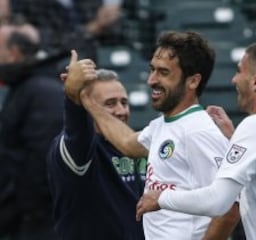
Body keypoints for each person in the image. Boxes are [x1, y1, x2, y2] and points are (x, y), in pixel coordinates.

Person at [136, 41, 256, 240]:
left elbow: (218, 201)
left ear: (255, 82)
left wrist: (162, 198)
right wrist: (235, 138)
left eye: (239, 71)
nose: (234, 79)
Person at [70, 31, 240, 239]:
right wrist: (85, 99)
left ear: (193, 81)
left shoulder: (199, 131)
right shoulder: (161, 125)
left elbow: (229, 208)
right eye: (152, 70)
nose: (151, 80)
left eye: (163, 72)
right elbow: (128, 143)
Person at [47, 57, 146, 239]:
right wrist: (74, 99)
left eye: (124, 102)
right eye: (110, 103)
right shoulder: (79, 150)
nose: (121, 111)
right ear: (87, 106)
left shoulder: (137, 146)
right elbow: (77, 133)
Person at [0, 22, 63, 239]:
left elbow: (42, 157)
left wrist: (22, 207)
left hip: (39, 218)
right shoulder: (26, 86)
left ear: (14, 52)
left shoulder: (39, 90)